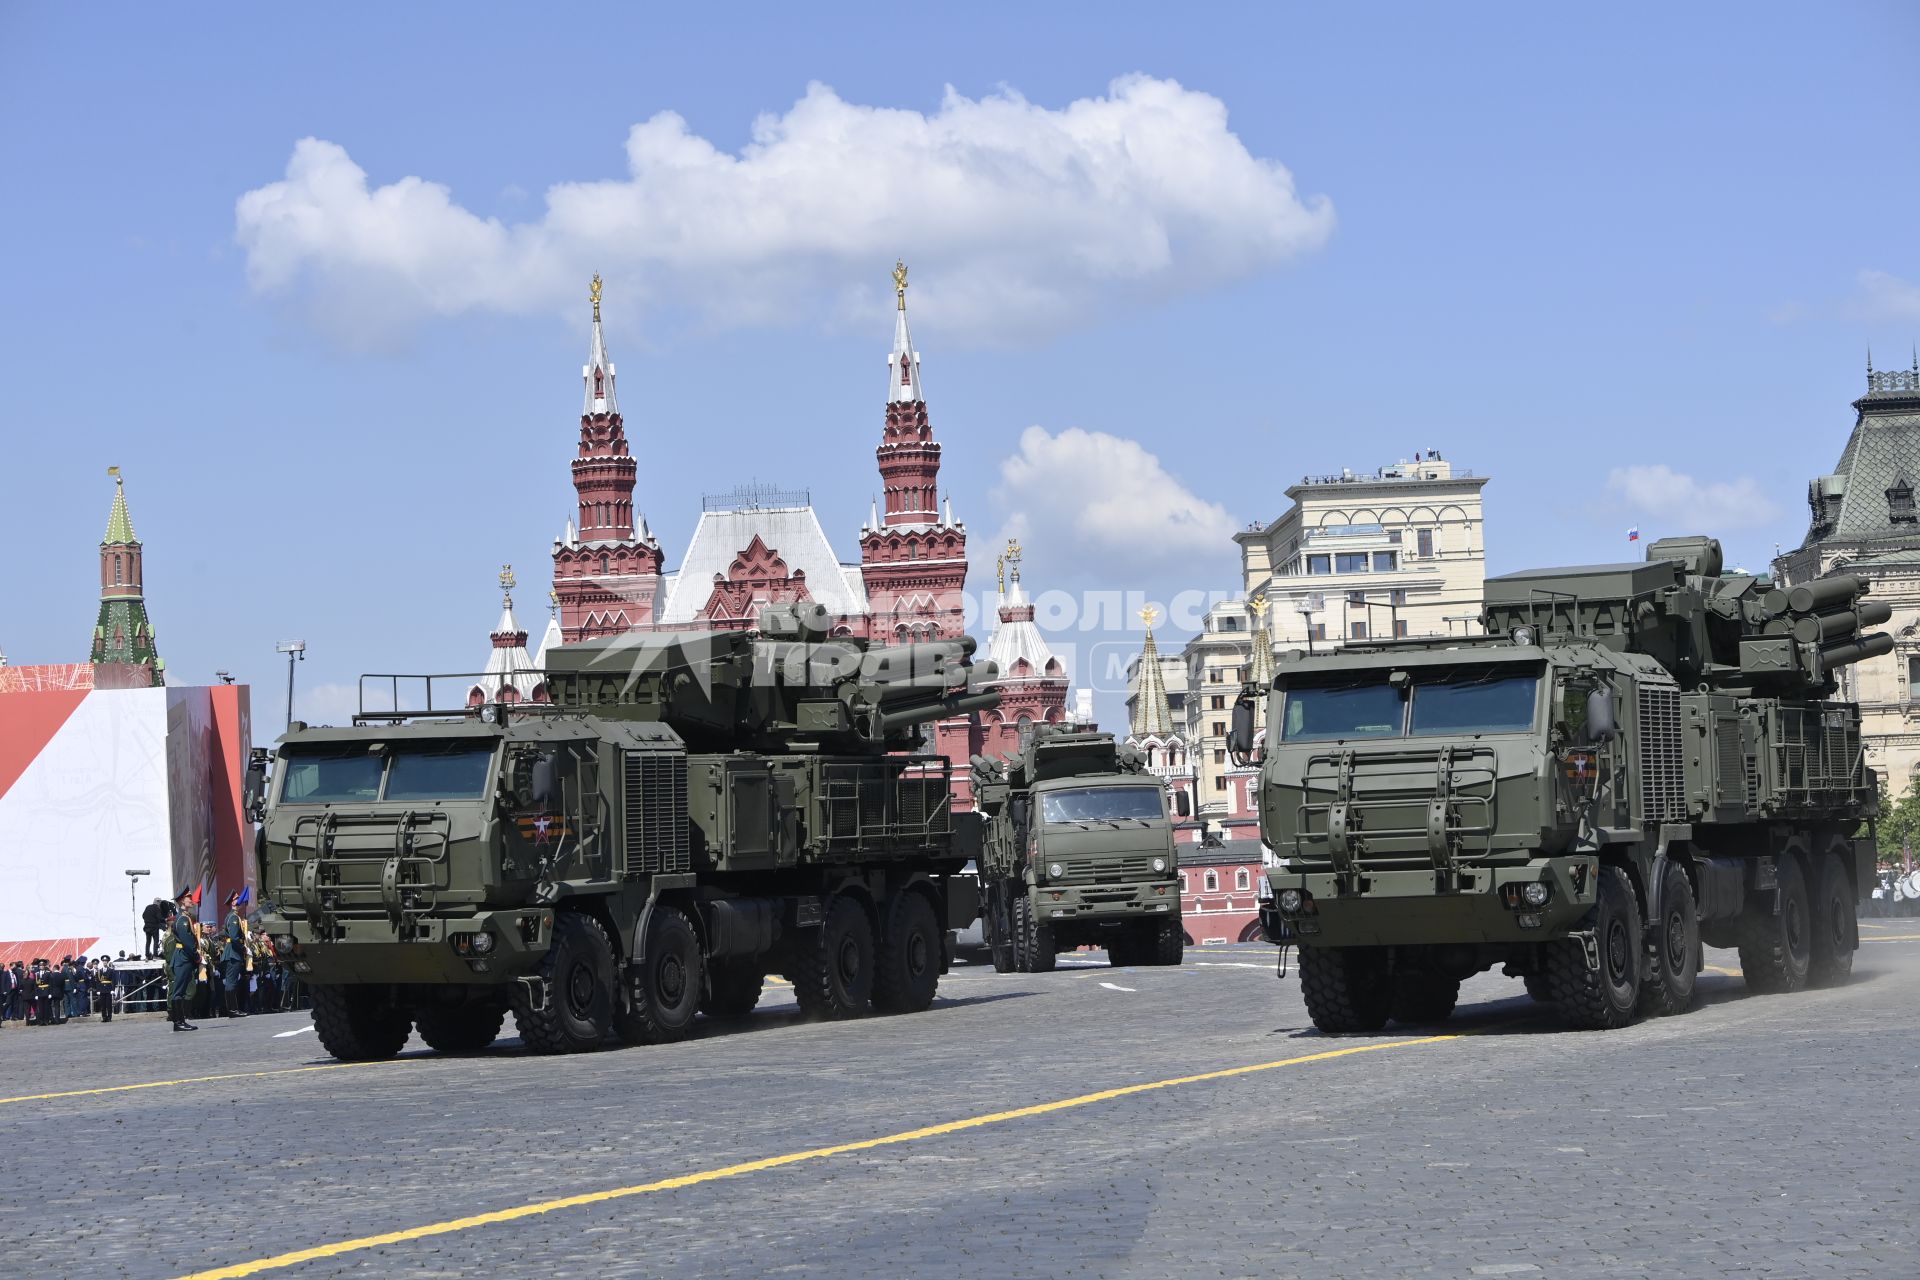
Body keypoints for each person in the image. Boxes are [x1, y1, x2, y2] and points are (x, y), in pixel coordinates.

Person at [165, 888, 204, 1031]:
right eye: (188, 898)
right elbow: (187, 941)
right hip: (183, 958)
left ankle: (180, 1021)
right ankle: (178, 1022)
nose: (191, 899)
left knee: (181, 990)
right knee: (179, 991)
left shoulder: (185, 917)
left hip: (184, 957)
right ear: (182, 901)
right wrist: (196, 956)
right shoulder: (182, 919)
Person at [220, 891, 252, 1018]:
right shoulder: (233, 917)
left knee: (232, 981)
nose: (239, 900)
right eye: (236, 899)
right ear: (232, 903)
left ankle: (233, 1009)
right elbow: (234, 937)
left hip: (232, 952)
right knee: (231, 982)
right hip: (233, 952)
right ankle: (232, 1010)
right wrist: (243, 947)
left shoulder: (233, 916)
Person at [93, 955, 117, 1023]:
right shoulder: (99, 971)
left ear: (108, 962)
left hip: (109, 988)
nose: (105, 962)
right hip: (102, 989)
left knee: (109, 1004)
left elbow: (113, 980)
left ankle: (109, 1017)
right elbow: (97, 981)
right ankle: (104, 1017)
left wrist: (113, 989)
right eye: (103, 961)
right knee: (103, 1005)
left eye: (106, 961)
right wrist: (98, 990)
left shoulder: (111, 970)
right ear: (102, 962)